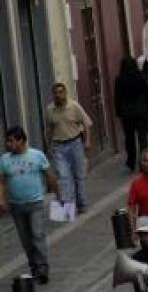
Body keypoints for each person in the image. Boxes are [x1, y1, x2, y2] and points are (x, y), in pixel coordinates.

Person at [0, 126, 56, 284]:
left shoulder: (37, 155)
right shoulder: (4, 159)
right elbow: (2, 182)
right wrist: (2, 200)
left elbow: (49, 175)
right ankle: (34, 268)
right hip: (16, 206)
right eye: (7, 140)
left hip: (35, 202)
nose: (8, 144)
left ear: (21, 140)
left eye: (11, 141)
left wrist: (58, 194)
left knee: (37, 235)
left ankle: (42, 268)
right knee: (26, 240)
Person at [45, 82, 92, 214]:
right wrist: (48, 145)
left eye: (61, 92)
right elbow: (49, 128)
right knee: (64, 177)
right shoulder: (50, 110)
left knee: (79, 175)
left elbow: (86, 124)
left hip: (75, 143)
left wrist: (87, 141)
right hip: (58, 146)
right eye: (56, 93)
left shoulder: (74, 106)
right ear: (53, 95)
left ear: (65, 93)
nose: (58, 95)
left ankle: (82, 203)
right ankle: (67, 209)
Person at [114, 56, 148, 171]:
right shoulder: (141, 76)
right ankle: (144, 162)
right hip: (141, 110)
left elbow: (117, 97)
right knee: (143, 138)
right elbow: (147, 93)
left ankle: (131, 161)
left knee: (129, 138)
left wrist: (119, 111)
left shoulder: (119, 79)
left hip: (127, 113)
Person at [127, 147, 148, 234]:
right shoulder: (136, 183)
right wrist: (132, 229)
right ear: (142, 163)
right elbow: (131, 207)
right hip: (146, 224)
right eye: (147, 161)